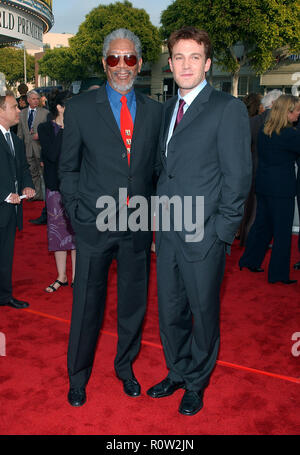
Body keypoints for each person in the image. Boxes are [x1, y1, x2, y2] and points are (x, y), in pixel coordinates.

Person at [146, 27, 251, 416]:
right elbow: (165, 169)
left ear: (207, 64)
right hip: (169, 232)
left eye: (194, 57)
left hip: (204, 235)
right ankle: (176, 370)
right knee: (170, 308)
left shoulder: (227, 108)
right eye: (178, 57)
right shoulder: (167, 109)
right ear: (170, 63)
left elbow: (238, 178)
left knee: (203, 312)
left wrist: (221, 235)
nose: (186, 64)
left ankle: (197, 382)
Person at [59, 28, 162, 407]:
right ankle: (78, 376)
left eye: (130, 58)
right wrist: (74, 213)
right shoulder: (81, 108)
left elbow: (158, 169)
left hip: (136, 227)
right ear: (105, 63)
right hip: (93, 224)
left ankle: (125, 367)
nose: (123, 66)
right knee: (87, 302)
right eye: (115, 59)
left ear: (139, 62)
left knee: (134, 302)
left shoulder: (155, 111)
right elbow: (67, 168)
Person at [239, 95, 300, 284]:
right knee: (282, 233)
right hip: (282, 190)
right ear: (287, 112)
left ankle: (249, 260)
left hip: (264, 185)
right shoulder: (290, 135)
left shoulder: (266, 131)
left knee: (262, 226)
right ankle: (278, 275)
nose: (299, 113)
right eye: (297, 110)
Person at [0, 91, 35, 309]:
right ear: (1, 111)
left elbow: (23, 169)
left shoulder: (15, 140)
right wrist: (4, 194)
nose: (18, 110)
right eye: (14, 107)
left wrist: (27, 185)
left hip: (12, 211)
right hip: (3, 204)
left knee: (6, 258)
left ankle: (4, 296)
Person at [38, 90, 76, 293]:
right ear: (60, 108)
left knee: (76, 234)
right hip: (55, 187)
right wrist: (63, 129)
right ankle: (61, 277)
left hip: (77, 187)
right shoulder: (45, 129)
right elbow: (52, 154)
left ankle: (77, 277)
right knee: (58, 234)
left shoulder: (77, 127)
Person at [239, 89, 283, 246]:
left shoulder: (253, 121)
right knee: (260, 208)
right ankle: (255, 240)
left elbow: (243, 146)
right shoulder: (279, 123)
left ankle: (246, 237)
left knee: (249, 206)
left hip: (251, 167)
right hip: (270, 171)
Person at [17, 90, 49, 201]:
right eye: (34, 99)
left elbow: (49, 131)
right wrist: (19, 148)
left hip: (40, 148)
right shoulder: (22, 113)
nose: (36, 101)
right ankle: (36, 195)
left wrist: (41, 135)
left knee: (44, 173)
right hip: (27, 148)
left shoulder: (45, 113)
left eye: (37, 99)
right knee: (32, 173)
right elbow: (20, 133)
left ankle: (46, 196)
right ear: (28, 100)